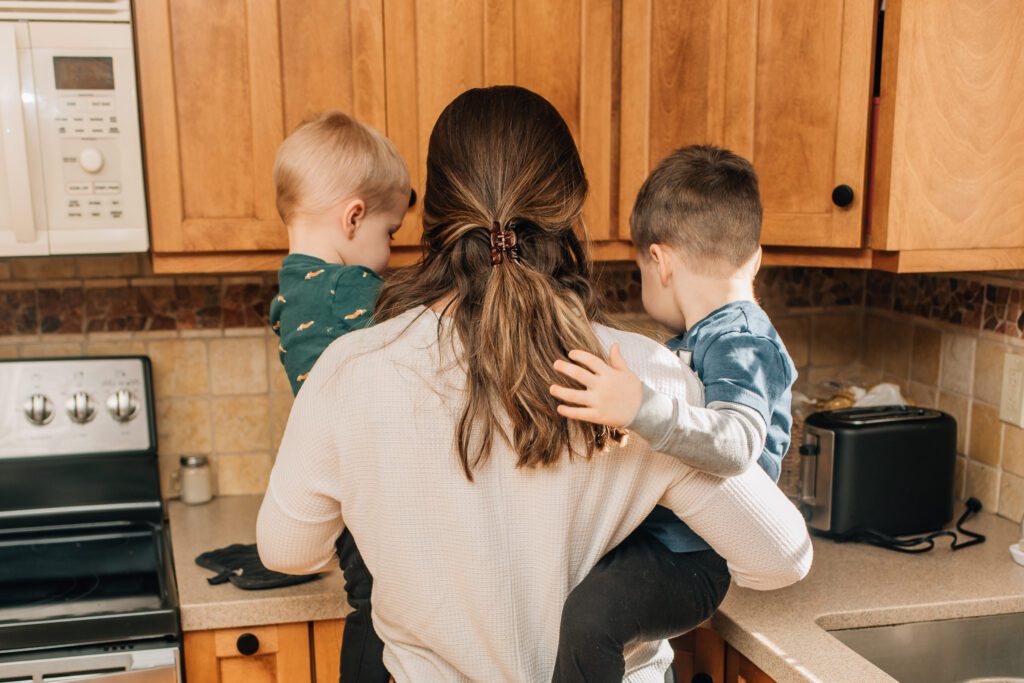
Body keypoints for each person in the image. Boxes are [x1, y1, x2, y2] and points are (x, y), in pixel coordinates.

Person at [257, 86, 812, 682]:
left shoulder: (348, 370)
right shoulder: (635, 378)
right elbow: (780, 558)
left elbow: (288, 551)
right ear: (569, 217)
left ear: (435, 218)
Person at [549, 145, 797, 680]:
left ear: (659, 263)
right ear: (755, 258)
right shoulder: (705, 337)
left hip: (692, 561)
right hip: (665, 543)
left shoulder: (745, 341)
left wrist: (639, 406)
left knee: (591, 619)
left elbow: (736, 444)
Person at [268, 111, 413, 683]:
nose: (392, 253)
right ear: (354, 217)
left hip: (344, 491)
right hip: (375, 495)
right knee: (382, 616)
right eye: (391, 233)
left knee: (367, 603)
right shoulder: (351, 289)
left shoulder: (291, 291)